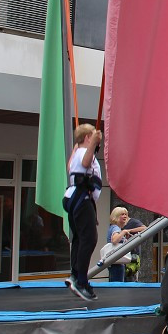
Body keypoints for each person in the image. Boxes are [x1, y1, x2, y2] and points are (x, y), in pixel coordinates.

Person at [62, 124, 102, 301]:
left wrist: (90, 143)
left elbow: (75, 163)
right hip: (81, 198)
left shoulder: (76, 152)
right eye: (92, 136)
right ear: (87, 138)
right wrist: (92, 143)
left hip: (74, 198)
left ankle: (75, 273)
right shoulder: (83, 153)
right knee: (89, 239)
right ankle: (81, 280)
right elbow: (86, 163)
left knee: (79, 238)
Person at [101, 207, 144, 282]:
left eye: (126, 214)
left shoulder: (114, 227)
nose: (125, 216)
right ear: (116, 216)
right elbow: (114, 240)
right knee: (118, 285)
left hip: (115, 261)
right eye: (122, 214)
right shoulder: (116, 228)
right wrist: (123, 232)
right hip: (117, 261)